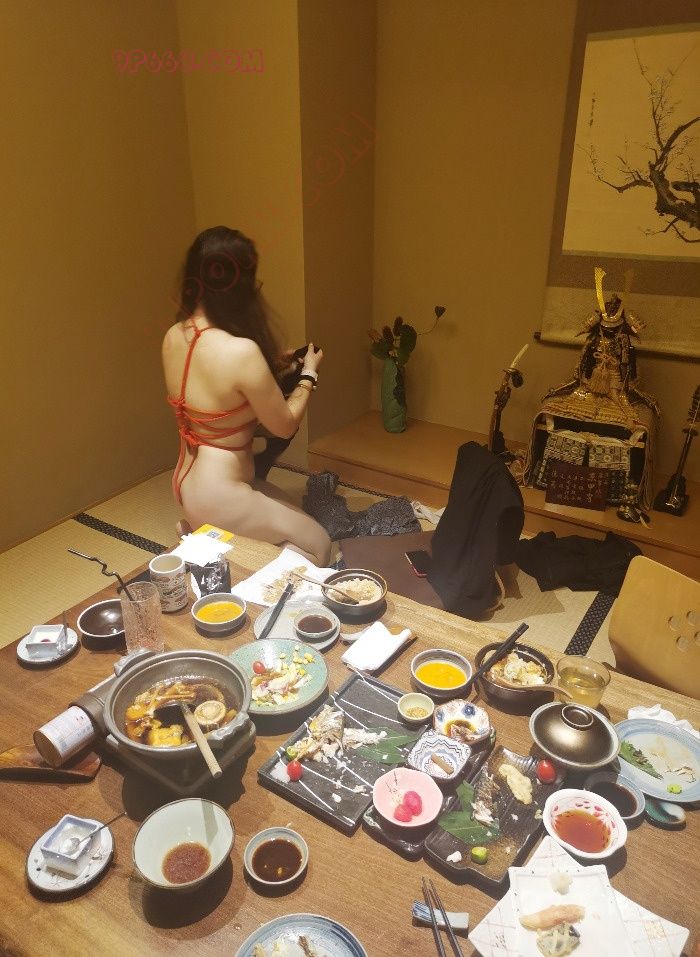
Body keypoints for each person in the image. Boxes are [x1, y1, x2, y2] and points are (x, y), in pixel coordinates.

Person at [162, 226, 331, 566]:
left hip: (189, 480)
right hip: (220, 493)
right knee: (323, 547)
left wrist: (270, 366)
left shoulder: (174, 335)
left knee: (298, 518)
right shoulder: (241, 351)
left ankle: (203, 534)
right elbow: (284, 425)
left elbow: (215, 386)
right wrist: (308, 374)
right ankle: (209, 550)